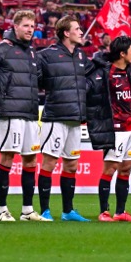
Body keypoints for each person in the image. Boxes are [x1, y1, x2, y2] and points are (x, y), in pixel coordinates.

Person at [0, 10, 44, 222]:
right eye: (26, 26)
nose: (30, 30)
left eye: (32, 26)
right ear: (15, 26)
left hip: (30, 111)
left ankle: (27, 210)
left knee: (30, 160)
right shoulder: (2, 48)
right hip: (10, 111)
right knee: (7, 158)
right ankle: (2, 209)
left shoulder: (31, 52)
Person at [35, 16, 90, 222]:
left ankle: (68, 211)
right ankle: (45, 210)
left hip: (76, 118)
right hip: (55, 117)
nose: (81, 32)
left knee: (72, 165)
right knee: (49, 163)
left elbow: (89, 82)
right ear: (66, 33)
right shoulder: (46, 55)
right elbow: (35, 80)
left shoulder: (81, 56)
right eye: (77, 28)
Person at [87, 36, 131, 222]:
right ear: (122, 53)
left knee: (126, 169)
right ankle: (104, 212)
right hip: (115, 129)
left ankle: (120, 212)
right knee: (110, 169)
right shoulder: (106, 73)